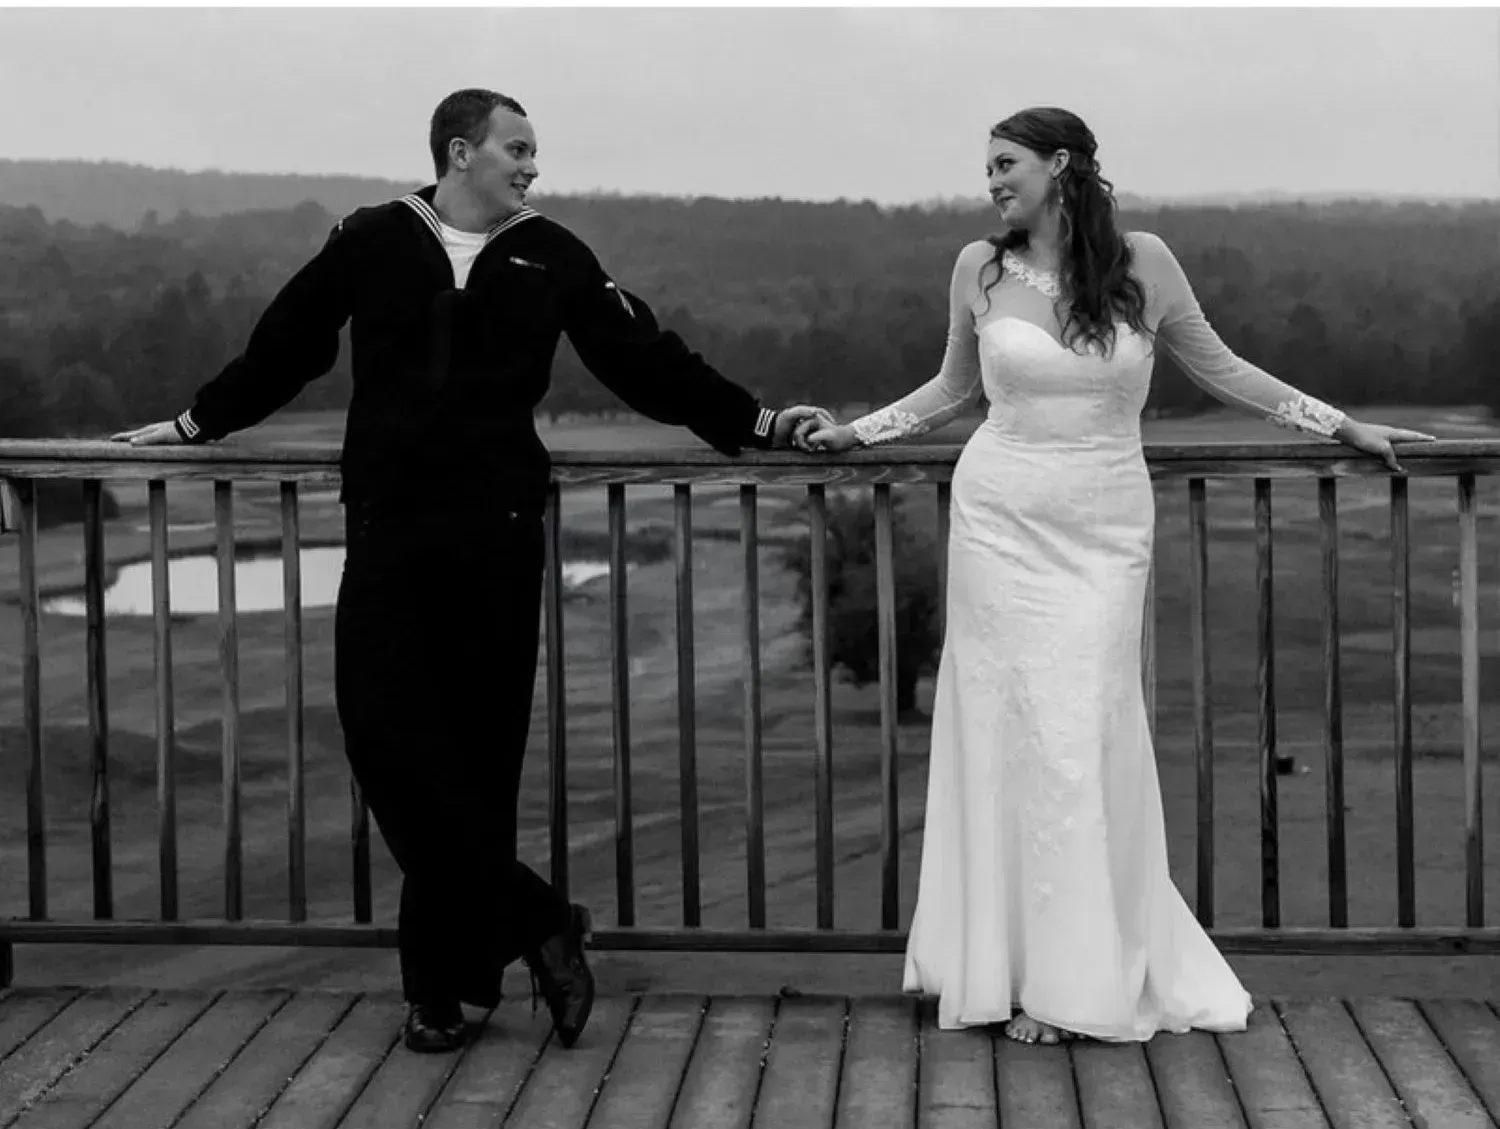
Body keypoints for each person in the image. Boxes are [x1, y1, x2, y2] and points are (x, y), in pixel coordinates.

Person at [113, 88, 828, 1053]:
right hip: (388, 532)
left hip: (496, 536)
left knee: (474, 762)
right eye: (517, 149)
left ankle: (442, 994)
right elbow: (286, 345)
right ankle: (538, 920)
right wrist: (199, 424)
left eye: (534, 152)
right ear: (461, 151)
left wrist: (757, 423)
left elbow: (648, 362)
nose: (534, 167)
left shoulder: (554, 254)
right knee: (385, 740)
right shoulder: (371, 238)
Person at [796, 107, 1435, 1044]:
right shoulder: (977, 267)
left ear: (1061, 165)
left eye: (1005, 165)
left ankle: (1078, 973)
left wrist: (1343, 425)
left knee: (1080, 731)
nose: (991, 184)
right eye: (987, 170)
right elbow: (953, 389)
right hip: (1000, 518)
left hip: (1102, 525)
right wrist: (855, 433)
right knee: (1005, 733)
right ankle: (1000, 964)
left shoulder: (1145, 261)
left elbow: (1222, 368)